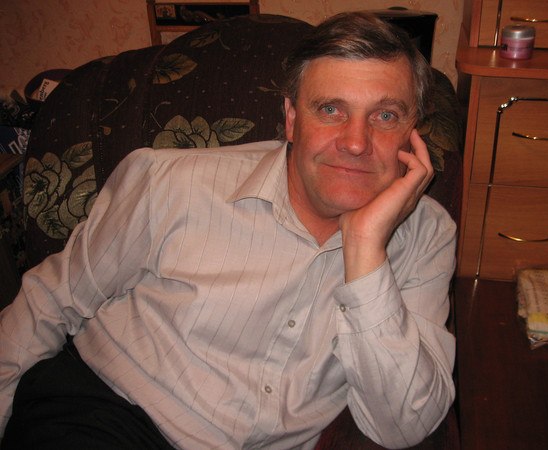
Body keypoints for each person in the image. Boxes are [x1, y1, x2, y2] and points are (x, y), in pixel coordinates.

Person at [0, 11, 456, 450]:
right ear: (292, 118)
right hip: (104, 414)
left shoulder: (427, 236)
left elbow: (404, 426)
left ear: (411, 132)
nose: (356, 142)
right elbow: (50, 301)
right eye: (331, 109)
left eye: (385, 116)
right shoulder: (168, 183)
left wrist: (364, 250)